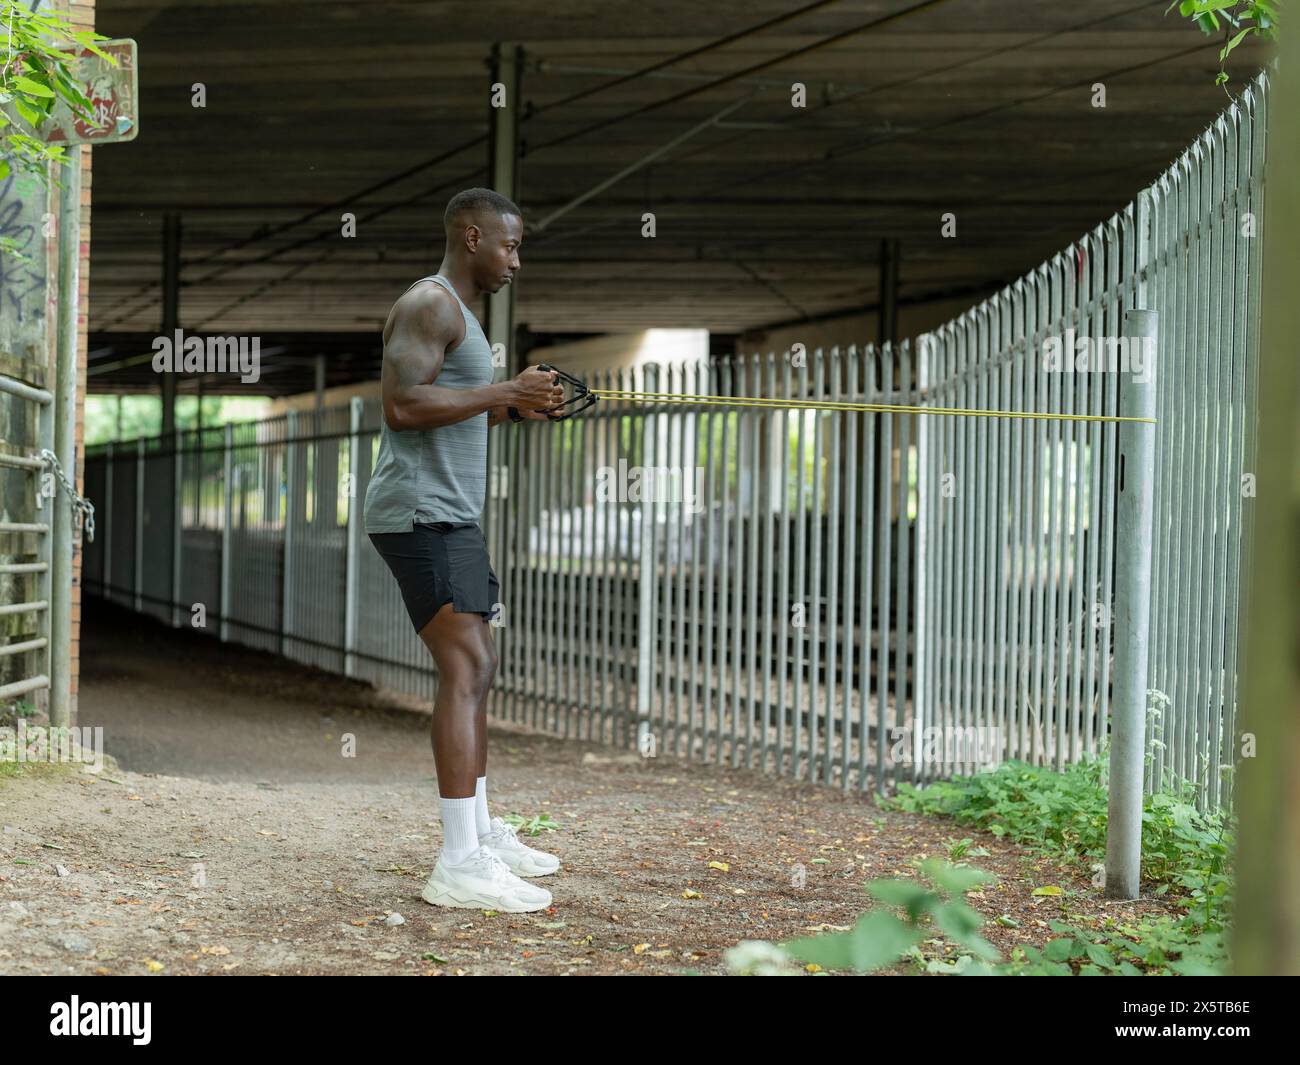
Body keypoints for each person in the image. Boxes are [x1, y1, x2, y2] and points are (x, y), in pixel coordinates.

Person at [364, 187, 563, 913]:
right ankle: (457, 861)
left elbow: (450, 407)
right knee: (467, 662)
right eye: (510, 245)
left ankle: (479, 832)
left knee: (482, 661)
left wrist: (513, 405)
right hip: (418, 514)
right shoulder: (432, 304)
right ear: (473, 236)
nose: (516, 260)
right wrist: (503, 387)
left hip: (452, 515)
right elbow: (403, 405)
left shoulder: (461, 316)